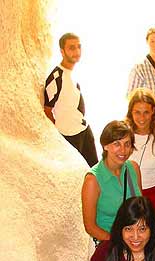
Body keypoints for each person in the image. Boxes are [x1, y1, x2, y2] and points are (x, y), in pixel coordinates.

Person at [44, 33, 98, 167]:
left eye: (79, 47)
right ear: (62, 51)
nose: (77, 51)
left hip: (83, 129)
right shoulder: (56, 77)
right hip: (69, 136)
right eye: (72, 48)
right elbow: (47, 109)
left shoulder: (74, 72)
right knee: (77, 175)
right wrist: (59, 136)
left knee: (95, 171)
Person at [81, 120, 141, 242]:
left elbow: (140, 209)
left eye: (127, 144)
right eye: (117, 144)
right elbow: (90, 227)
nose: (123, 150)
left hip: (134, 239)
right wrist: (119, 243)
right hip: (108, 241)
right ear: (105, 145)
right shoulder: (93, 180)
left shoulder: (133, 168)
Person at [126, 88, 155, 225]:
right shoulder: (123, 135)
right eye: (137, 112)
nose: (142, 118)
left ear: (153, 111)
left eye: (146, 112)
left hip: (154, 195)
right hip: (127, 194)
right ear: (131, 112)